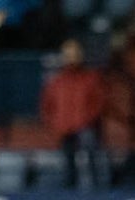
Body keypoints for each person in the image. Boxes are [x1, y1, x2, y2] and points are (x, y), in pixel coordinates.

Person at [39, 38, 106, 189]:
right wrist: (54, 123)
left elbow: (99, 101)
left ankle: (97, 192)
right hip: (64, 128)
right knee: (68, 165)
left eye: (74, 53)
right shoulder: (56, 81)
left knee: (91, 157)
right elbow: (47, 104)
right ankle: (69, 195)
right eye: (67, 54)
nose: (71, 57)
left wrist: (86, 120)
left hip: (85, 126)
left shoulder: (91, 78)